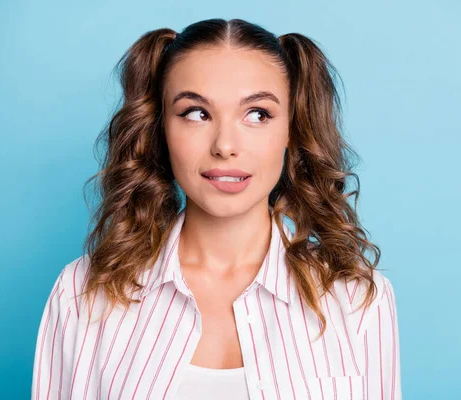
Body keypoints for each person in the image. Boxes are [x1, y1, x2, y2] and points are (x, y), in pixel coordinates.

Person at [31, 18, 401, 400]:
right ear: (160, 128)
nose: (225, 145)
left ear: (292, 127)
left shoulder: (357, 299)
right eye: (196, 113)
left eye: (258, 114)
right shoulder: (82, 294)